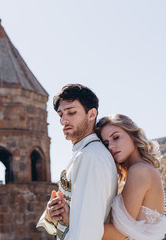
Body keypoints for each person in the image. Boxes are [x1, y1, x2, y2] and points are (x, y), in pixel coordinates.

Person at [60, 114, 166, 240]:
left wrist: (72, 221)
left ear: (133, 135)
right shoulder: (137, 171)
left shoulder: (140, 171)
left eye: (116, 137)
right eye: (106, 143)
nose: (111, 146)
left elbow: (118, 235)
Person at [36, 84, 118, 240]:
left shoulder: (90, 156)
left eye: (72, 112)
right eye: (60, 115)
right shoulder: (84, 153)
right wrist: (51, 215)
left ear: (91, 114)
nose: (64, 120)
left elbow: (87, 232)